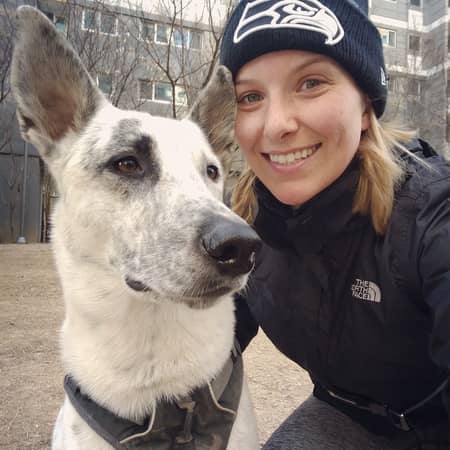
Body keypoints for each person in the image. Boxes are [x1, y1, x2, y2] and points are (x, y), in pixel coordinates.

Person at [219, 0, 450, 448]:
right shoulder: (239, 224)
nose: (277, 125)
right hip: (343, 414)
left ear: (365, 106)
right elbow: (204, 352)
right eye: (250, 97)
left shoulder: (432, 216)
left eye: (310, 83)